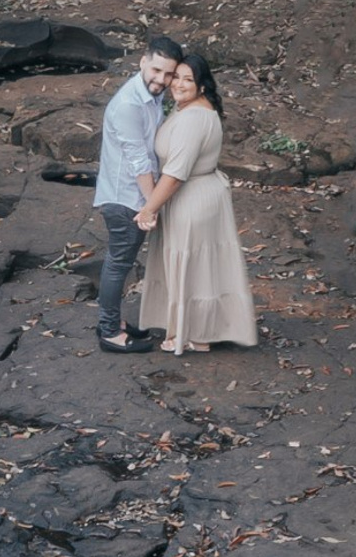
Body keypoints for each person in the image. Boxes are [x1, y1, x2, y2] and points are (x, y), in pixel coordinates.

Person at [134, 50, 258, 355]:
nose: (178, 84)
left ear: (202, 85)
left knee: (194, 268)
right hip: (200, 193)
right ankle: (198, 328)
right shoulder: (192, 108)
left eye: (187, 79)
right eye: (176, 77)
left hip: (192, 198)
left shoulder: (193, 118)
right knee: (202, 267)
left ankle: (195, 334)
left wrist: (149, 209)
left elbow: (176, 174)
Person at [91, 32, 183, 354]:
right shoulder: (128, 105)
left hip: (133, 196)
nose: (161, 80)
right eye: (156, 70)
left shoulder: (150, 95)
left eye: (168, 74)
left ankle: (112, 322)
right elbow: (138, 161)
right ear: (143, 62)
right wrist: (150, 207)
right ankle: (108, 332)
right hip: (125, 198)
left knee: (120, 262)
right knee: (118, 263)